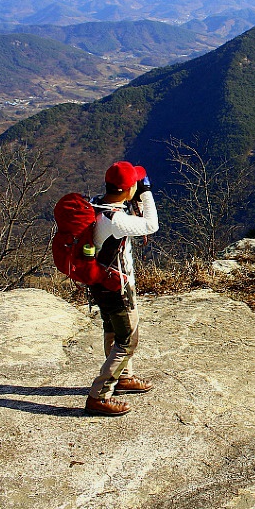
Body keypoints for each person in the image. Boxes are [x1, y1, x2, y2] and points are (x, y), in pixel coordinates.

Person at [84, 161, 159, 417]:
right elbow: (151, 225)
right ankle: (99, 396)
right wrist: (146, 192)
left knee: (112, 330)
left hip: (100, 282)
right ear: (128, 189)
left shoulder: (97, 204)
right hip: (117, 287)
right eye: (135, 184)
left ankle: (122, 377)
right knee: (127, 340)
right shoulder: (115, 220)